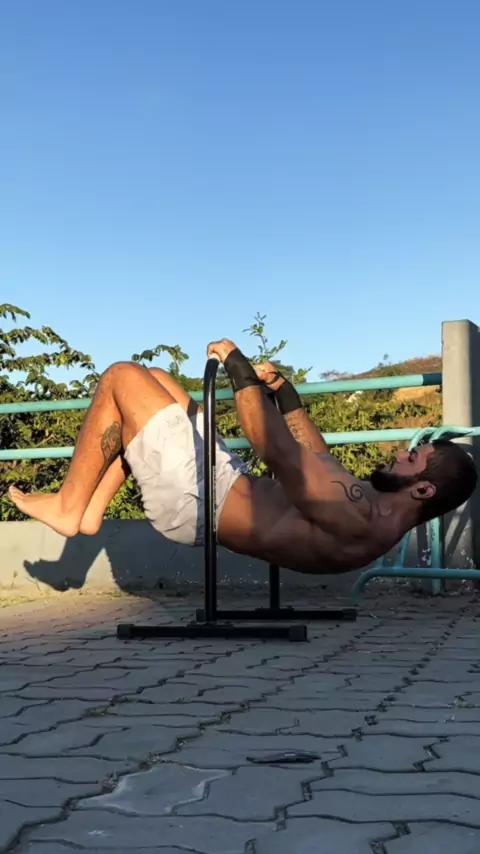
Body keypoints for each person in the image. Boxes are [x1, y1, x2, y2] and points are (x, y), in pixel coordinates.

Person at [8, 338, 478, 574]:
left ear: (422, 489)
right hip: (223, 482)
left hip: (198, 502)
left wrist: (239, 367)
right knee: (156, 380)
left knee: (121, 377)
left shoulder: (356, 516)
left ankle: (69, 506)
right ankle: (90, 511)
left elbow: (269, 444)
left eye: (413, 458)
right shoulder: (369, 512)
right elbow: (315, 456)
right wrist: (284, 392)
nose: (401, 454)